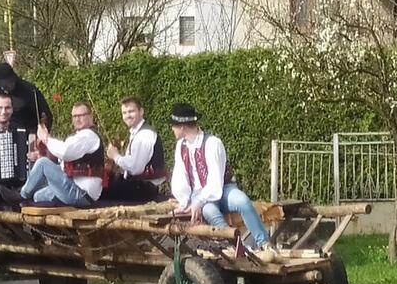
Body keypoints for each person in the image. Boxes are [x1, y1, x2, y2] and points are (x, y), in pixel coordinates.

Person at [168, 102, 276, 262]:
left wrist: (198, 201)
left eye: (173, 126)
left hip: (222, 188)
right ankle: (238, 248)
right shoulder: (180, 147)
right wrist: (185, 203)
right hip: (199, 196)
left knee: (242, 200)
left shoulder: (212, 143)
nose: (172, 129)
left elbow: (215, 181)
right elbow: (180, 177)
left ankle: (265, 244)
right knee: (210, 211)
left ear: (182, 126)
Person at [19, 102, 104, 207]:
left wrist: (46, 138)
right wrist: (43, 154)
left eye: (81, 115)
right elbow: (64, 162)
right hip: (76, 190)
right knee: (38, 196)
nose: (77, 119)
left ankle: (21, 195)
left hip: (81, 193)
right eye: (74, 116)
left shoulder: (89, 136)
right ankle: (26, 203)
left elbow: (65, 152)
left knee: (42, 164)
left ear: (91, 116)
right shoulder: (79, 137)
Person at [103, 96, 166, 203]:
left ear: (141, 112)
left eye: (131, 111)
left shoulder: (145, 134)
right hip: (137, 186)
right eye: (124, 113)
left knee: (100, 192)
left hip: (144, 189)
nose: (128, 116)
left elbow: (136, 168)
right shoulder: (136, 133)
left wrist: (116, 156)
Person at [0, 62, 51, 133]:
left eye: (11, 82)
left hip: (25, 134)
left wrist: (41, 132)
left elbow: (45, 114)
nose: (9, 85)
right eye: (5, 84)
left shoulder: (29, 90)